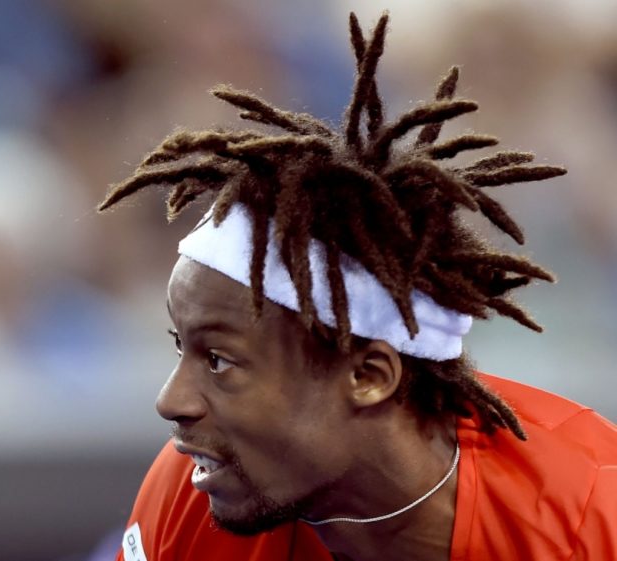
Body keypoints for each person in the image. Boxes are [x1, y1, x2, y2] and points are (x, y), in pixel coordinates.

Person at [100, 12, 617, 561]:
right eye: (181, 347)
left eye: (219, 360)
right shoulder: (190, 493)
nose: (171, 401)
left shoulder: (592, 513)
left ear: (368, 375)